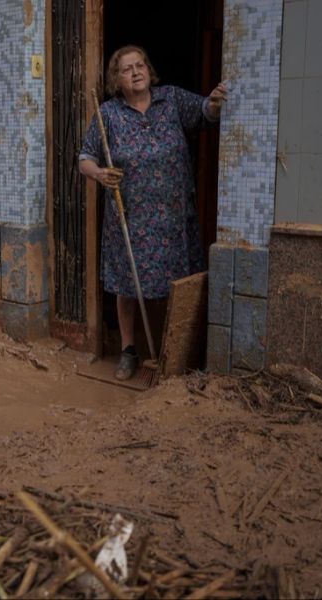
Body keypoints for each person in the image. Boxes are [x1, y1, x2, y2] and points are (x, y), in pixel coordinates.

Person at [79, 45, 227, 380]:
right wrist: (100, 174)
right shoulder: (108, 115)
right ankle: (130, 350)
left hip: (174, 218)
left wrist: (216, 103)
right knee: (128, 285)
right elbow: (84, 158)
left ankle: (174, 353)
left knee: (176, 281)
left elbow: (206, 113)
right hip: (129, 218)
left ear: (149, 70)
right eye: (127, 68)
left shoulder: (171, 100)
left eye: (140, 64)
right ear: (117, 79)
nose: (136, 71)